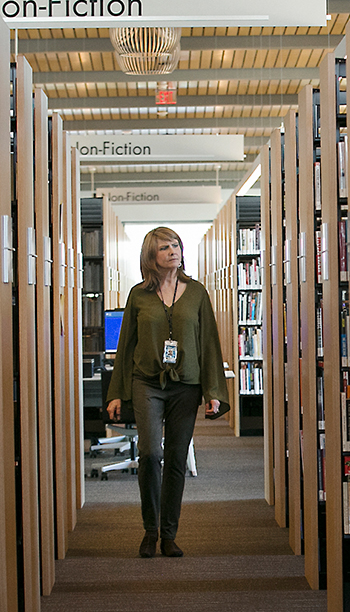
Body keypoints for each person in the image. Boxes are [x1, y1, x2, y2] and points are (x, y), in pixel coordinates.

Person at [105, 226, 229, 558]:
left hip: (186, 386)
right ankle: (151, 529)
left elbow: (208, 344)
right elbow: (125, 345)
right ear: (151, 256)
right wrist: (116, 392)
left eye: (176, 245)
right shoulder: (138, 295)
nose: (173, 251)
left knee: (176, 457)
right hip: (147, 382)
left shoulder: (197, 292)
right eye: (164, 247)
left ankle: (169, 534)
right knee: (149, 454)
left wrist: (213, 392)